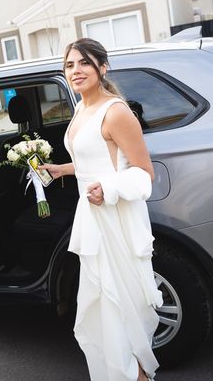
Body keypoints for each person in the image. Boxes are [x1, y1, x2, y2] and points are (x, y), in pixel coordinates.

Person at [40, 39, 163, 381]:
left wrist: (107, 189)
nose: (75, 71)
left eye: (84, 64)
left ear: (102, 68)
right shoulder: (82, 108)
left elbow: (144, 176)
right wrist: (62, 170)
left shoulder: (116, 111)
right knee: (104, 317)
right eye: (69, 65)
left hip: (116, 222)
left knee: (121, 316)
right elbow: (95, 161)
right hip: (92, 221)